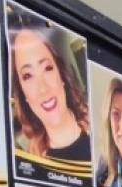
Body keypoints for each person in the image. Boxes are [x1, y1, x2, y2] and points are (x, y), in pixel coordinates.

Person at [9, 22, 90, 161]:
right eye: (27, 76)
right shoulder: (33, 161)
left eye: (47, 68)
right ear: (23, 95)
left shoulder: (100, 133)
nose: (43, 88)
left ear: (61, 75)